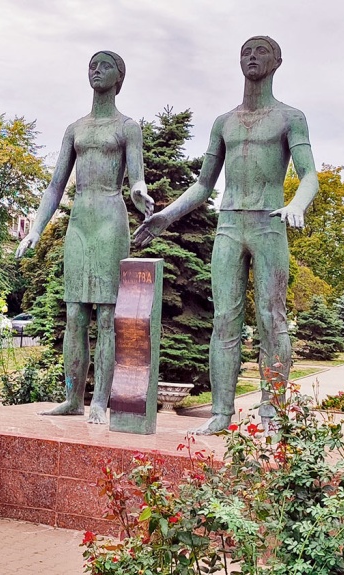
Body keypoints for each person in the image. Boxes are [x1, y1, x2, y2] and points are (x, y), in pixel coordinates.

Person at [134, 36, 319, 434]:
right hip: (230, 225)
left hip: (269, 223)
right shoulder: (224, 122)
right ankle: (220, 414)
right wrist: (166, 216)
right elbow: (203, 185)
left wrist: (297, 204)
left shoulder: (290, 117)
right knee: (224, 321)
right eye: (245, 52)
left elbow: (310, 176)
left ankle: (272, 413)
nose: (252, 57)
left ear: (277, 62)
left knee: (272, 318)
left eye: (261, 51)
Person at [14, 51, 154, 424]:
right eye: (92, 65)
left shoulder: (128, 127)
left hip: (110, 220)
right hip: (79, 224)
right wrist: (36, 229)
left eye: (105, 65)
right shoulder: (75, 129)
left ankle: (99, 402)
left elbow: (136, 177)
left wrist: (139, 191)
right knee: (75, 314)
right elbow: (54, 186)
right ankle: (72, 398)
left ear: (119, 77)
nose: (96, 70)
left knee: (107, 316)